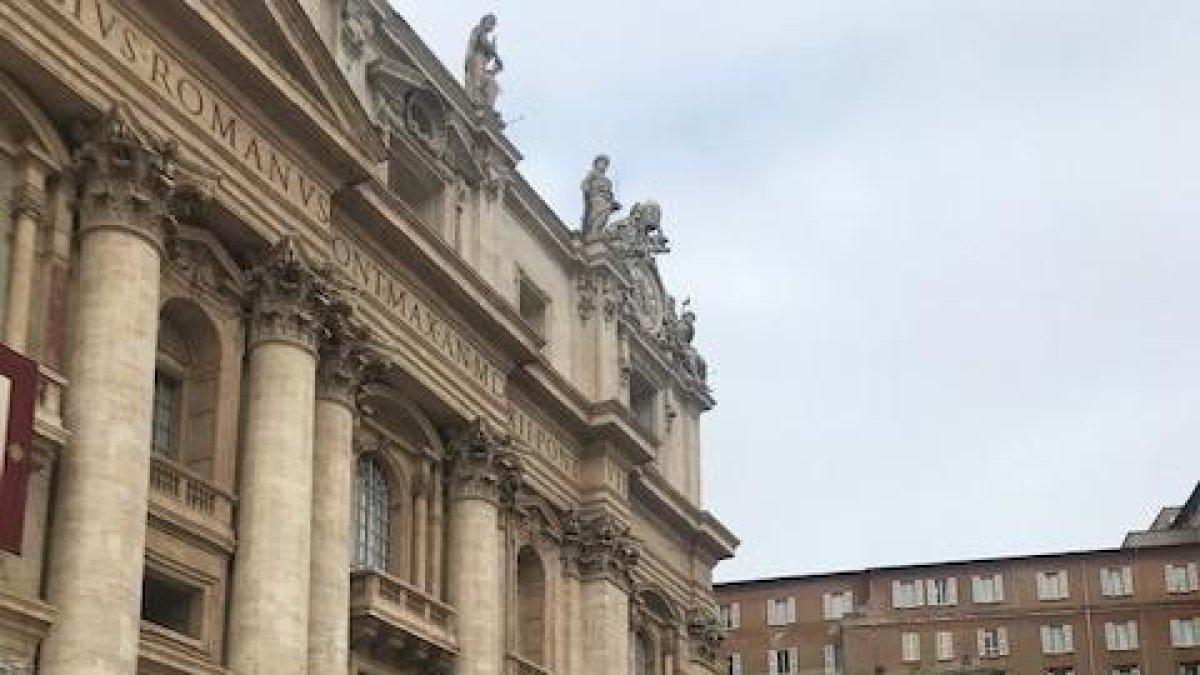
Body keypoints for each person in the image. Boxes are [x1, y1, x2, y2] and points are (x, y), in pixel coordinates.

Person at [465, 14, 502, 109]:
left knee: (492, 84)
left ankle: (486, 106)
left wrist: (493, 50)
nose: (492, 26)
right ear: (485, 21)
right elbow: (480, 43)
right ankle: (475, 99)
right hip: (476, 59)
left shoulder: (484, 35)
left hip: (482, 62)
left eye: (493, 24)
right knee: (477, 80)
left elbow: (488, 57)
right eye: (491, 23)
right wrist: (495, 54)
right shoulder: (478, 30)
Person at [581, 155, 620, 237]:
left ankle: (596, 231)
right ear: (596, 164)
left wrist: (613, 203)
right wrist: (587, 192)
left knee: (604, 216)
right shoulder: (593, 173)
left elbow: (609, 193)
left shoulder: (608, 181)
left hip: (606, 200)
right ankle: (592, 232)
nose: (603, 166)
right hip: (596, 197)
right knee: (594, 216)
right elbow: (585, 183)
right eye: (602, 163)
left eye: (605, 164)